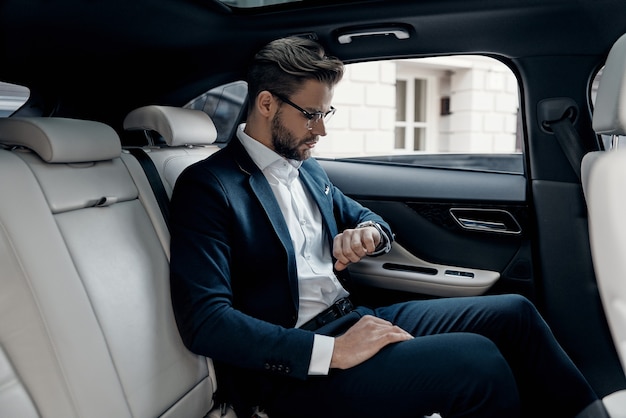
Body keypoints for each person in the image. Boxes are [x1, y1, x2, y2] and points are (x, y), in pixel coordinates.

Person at [169, 36, 607, 418]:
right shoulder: (209, 186)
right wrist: (334, 351)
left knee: (516, 313)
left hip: (352, 317)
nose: (321, 129)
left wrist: (369, 234)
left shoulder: (305, 167)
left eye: (327, 113)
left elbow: (367, 217)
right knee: (477, 363)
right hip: (293, 365)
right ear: (266, 104)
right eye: (310, 114)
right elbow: (207, 321)